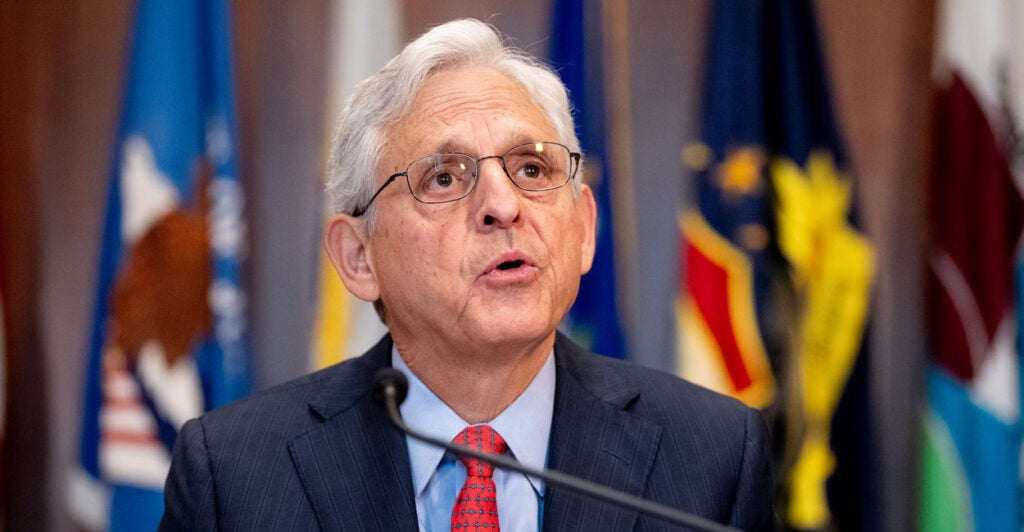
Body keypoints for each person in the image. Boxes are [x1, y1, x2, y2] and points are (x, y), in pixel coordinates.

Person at [160, 18, 774, 531]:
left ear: (584, 229)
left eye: (531, 169)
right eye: (444, 178)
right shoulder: (233, 476)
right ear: (358, 257)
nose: (503, 205)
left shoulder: (712, 458)